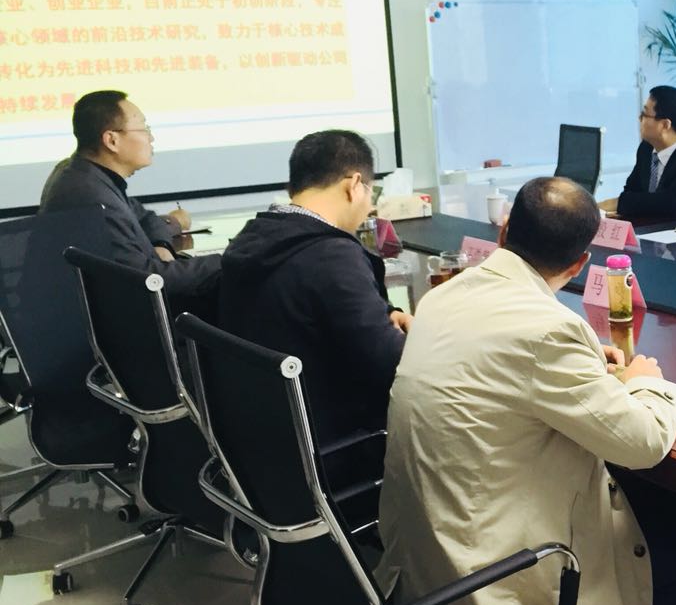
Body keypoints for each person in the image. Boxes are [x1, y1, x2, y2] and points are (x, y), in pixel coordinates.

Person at [378, 177, 676, 605]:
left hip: (423, 555)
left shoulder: (446, 296)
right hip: (489, 572)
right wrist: (649, 383)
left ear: (505, 231)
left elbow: (501, 373)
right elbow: (642, 444)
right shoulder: (548, 326)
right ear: (581, 264)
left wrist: (587, 365)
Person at [218, 130, 409, 452]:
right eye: (371, 193)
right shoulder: (332, 255)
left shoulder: (255, 236)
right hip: (335, 442)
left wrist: (386, 314)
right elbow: (392, 363)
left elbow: (306, 302)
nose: (369, 207)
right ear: (354, 185)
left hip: (265, 438)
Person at [39, 89, 219, 311]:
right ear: (112, 140)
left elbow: (145, 218)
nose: (151, 138)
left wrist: (161, 243)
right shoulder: (90, 197)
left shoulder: (87, 175)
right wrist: (227, 260)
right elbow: (144, 279)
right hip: (132, 320)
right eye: (144, 129)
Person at [601, 85, 676, 224]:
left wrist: (618, 203)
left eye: (644, 114)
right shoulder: (646, 148)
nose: (639, 118)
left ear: (665, 125)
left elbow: (670, 205)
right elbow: (632, 190)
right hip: (646, 229)